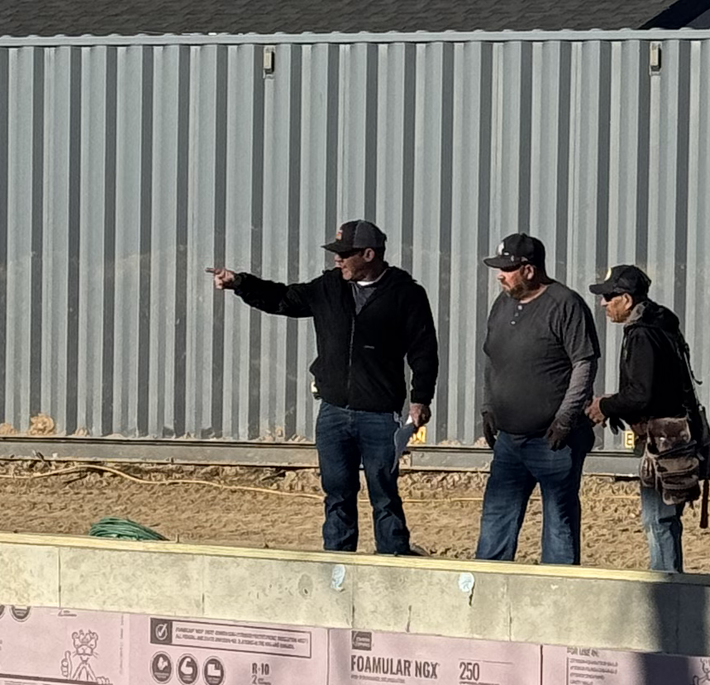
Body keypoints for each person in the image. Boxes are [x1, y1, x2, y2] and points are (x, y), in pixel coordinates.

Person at [209, 220, 437, 554]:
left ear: (369, 254)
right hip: (333, 413)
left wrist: (420, 399)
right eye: (336, 254)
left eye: (345, 254)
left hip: (379, 415)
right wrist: (240, 283)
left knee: (384, 494)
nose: (337, 260)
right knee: (337, 494)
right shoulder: (330, 287)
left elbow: (424, 350)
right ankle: (339, 567)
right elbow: (284, 298)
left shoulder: (406, 293)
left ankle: (394, 562)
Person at [473, 232, 599, 564]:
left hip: (553, 441)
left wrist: (565, 418)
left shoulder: (564, 304)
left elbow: (583, 363)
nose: (500, 275)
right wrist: (488, 407)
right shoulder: (502, 304)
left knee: (559, 522)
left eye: (507, 268)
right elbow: (493, 358)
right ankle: (489, 587)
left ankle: (558, 592)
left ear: (529, 270)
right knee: (497, 519)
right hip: (509, 440)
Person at [591, 262, 705, 573]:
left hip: (662, 441)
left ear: (626, 300)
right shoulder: (662, 326)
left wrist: (606, 406)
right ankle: (672, 580)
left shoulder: (642, 335)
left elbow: (641, 395)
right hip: (678, 437)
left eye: (608, 296)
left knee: (658, 519)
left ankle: (665, 586)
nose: (603, 303)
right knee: (667, 518)